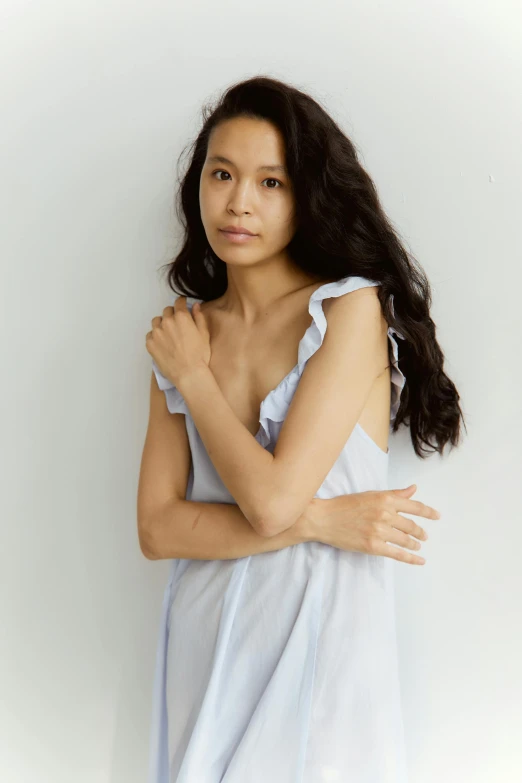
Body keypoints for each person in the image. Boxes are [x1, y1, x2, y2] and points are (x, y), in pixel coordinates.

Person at [138, 76, 465, 783]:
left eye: (270, 182)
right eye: (221, 174)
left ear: (305, 195)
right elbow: (158, 528)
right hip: (206, 637)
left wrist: (195, 381)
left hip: (324, 636)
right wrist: (326, 520)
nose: (239, 202)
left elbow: (273, 503)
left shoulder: (348, 312)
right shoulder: (183, 334)